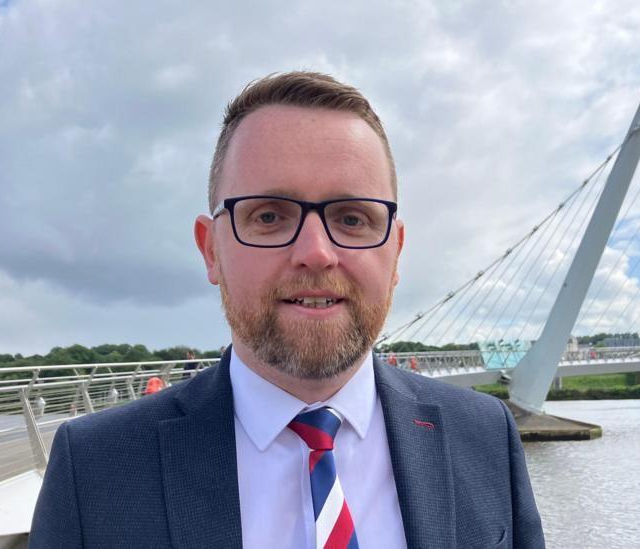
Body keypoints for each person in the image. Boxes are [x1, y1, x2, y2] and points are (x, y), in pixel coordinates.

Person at [30, 71, 543, 548]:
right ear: (211, 250)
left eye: (352, 218)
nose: (317, 252)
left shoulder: (485, 435)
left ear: (396, 252)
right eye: (270, 216)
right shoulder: (96, 469)